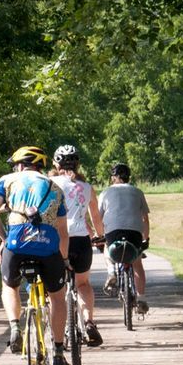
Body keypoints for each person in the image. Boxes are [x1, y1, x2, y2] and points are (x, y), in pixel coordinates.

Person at [0, 145, 71, 365]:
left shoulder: (6, 180)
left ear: (20, 165)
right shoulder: (55, 187)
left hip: (16, 244)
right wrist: (65, 259)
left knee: (9, 286)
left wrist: (4, 238)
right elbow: (62, 231)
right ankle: (58, 351)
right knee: (58, 298)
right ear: (40, 165)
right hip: (47, 247)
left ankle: (14, 327)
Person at [50, 144, 104, 347]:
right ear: (77, 163)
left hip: (57, 241)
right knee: (83, 284)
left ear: (56, 163)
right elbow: (96, 216)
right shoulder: (87, 187)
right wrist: (100, 236)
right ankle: (89, 321)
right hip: (81, 241)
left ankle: (58, 333)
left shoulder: (50, 183)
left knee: (55, 290)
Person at [99, 162, 151, 316]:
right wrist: (145, 239)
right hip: (134, 232)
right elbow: (145, 219)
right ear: (128, 177)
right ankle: (141, 298)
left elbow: (99, 217)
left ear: (113, 177)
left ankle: (111, 273)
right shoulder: (138, 192)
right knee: (137, 263)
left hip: (113, 231)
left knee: (107, 248)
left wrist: (101, 236)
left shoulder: (105, 192)